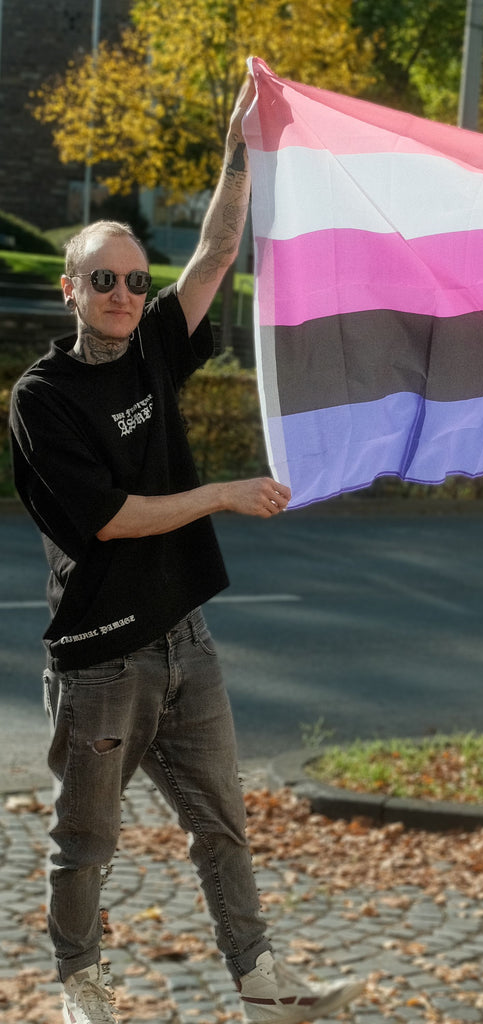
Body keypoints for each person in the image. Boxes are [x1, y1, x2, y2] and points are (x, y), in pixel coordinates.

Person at [8, 76, 364, 1024]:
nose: (125, 294)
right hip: (102, 661)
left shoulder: (159, 344)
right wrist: (222, 495)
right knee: (86, 841)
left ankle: (259, 978)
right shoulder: (41, 399)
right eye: (104, 280)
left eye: (133, 279)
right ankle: (82, 981)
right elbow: (112, 519)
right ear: (71, 289)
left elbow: (213, 249)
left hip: (185, 642)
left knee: (224, 827)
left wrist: (241, 148)